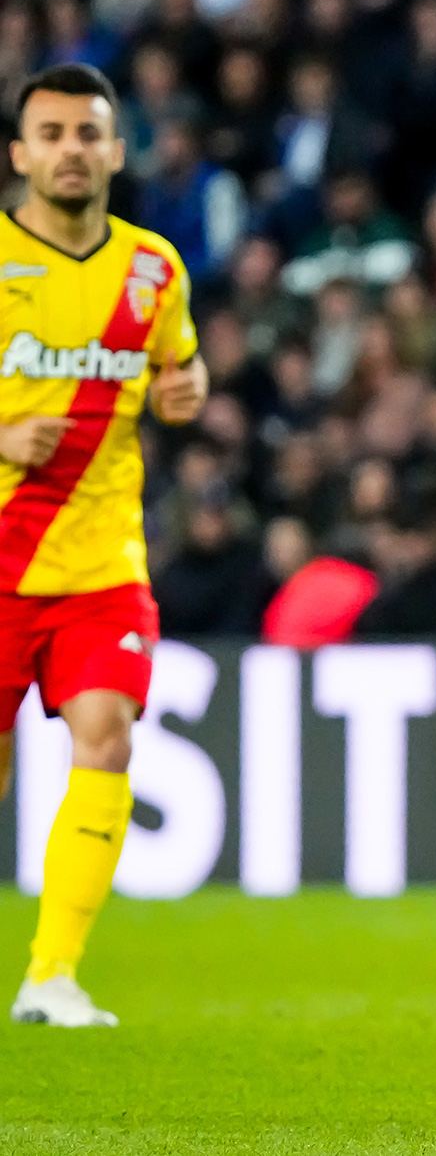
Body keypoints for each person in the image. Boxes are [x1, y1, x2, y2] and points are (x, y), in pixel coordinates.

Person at [0, 64, 208, 1027]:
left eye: (88, 133)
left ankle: (52, 974)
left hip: (101, 561)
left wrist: (187, 389)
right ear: (20, 154)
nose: (71, 150)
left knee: (108, 737)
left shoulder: (154, 268)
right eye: (51, 134)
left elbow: (180, 366)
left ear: (117, 150)